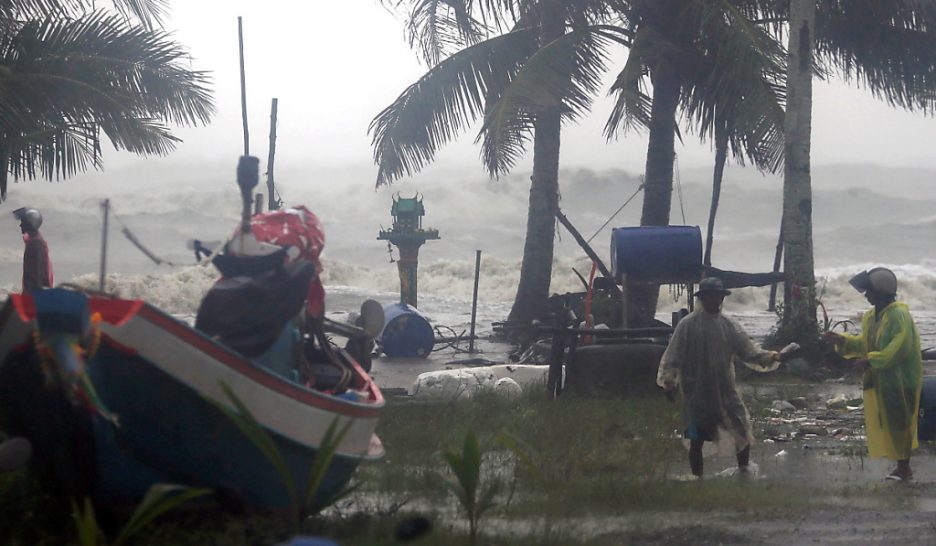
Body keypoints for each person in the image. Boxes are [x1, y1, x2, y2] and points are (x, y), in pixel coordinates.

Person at [657, 277, 780, 478]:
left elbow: (748, 351)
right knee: (696, 437)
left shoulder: (728, 325)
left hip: (725, 389)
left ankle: (744, 471)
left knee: (741, 429)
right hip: (695, 391)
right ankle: (697, 478)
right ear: (702, 298)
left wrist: (770, 356)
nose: (714, 300)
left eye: (717, 296)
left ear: (722, 298)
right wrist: (669, 382)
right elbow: (673, 355)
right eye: (710, 296)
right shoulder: (687, 325)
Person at [823, 267, 922, 481]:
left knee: (901, 422)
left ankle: (904, 468)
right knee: (888, 421)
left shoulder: (898, 315)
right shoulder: (871, 317)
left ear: (882, 292)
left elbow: (900, 346)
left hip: (901, 379)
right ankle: (900, 466)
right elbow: (865, 343)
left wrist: (872, 359)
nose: (867, 296)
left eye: (870, 291)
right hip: (882, 379)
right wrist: (843, 340)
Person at [13, 208, 53, 292]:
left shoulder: (37, 243)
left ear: (30, 224)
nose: (20, 225)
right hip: (31, 289)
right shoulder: (32, 240)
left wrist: (37, 291)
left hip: (35, 291)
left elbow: (39, 269)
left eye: (23, 223)